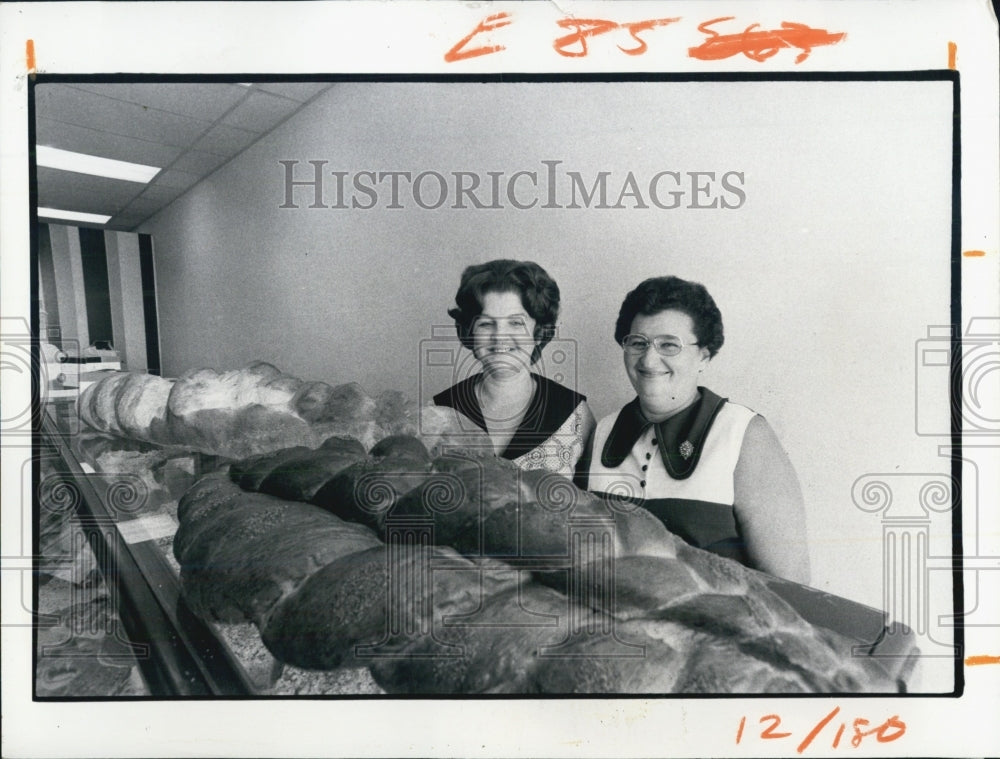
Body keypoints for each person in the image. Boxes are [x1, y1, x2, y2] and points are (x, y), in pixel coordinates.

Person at [577, 275, 810, 583]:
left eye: (669, 345)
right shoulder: (603, 430)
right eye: (637, 343)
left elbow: (790, 585)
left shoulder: (743, 434)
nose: (648, 359)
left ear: (704, 355)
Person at [434, 260, 595, 478]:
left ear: (538, 332)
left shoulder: (574, 416)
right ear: (469, 333)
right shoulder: (439, 411)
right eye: (485, 323)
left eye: (516, 323)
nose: (500, 336)